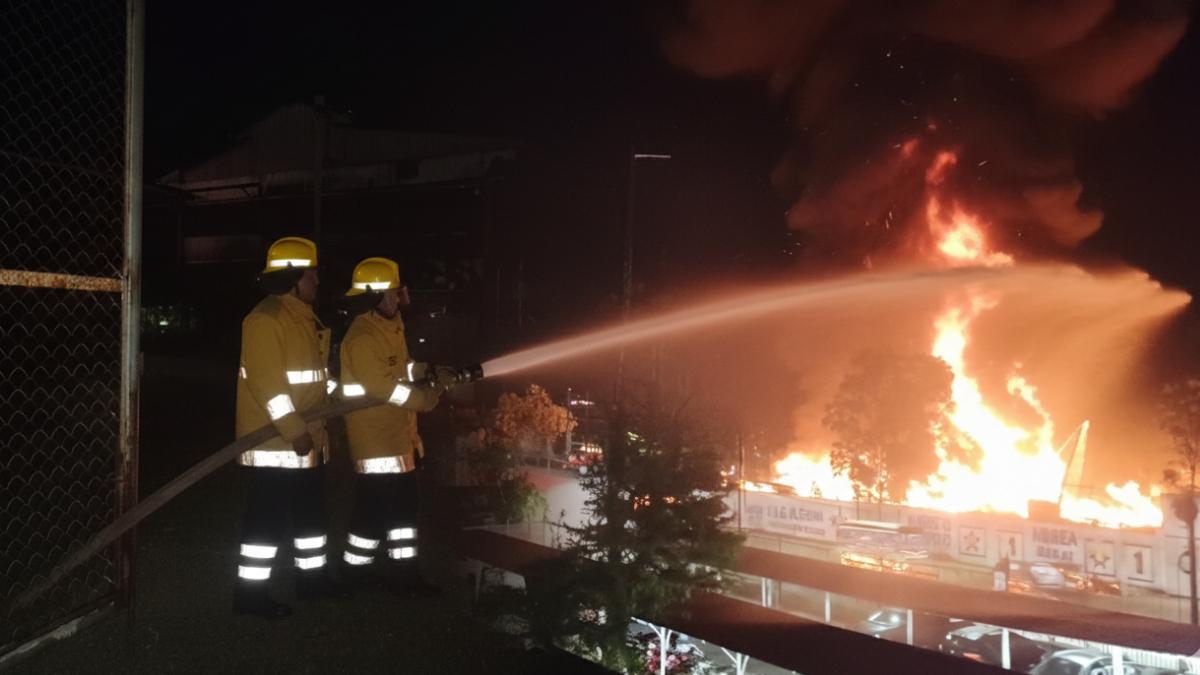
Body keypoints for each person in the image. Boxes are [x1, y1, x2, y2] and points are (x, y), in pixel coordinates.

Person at [232, 236, 346, 618]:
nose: (318, 281)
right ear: (294, 278)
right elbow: (268, 385)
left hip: (307, 439)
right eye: (312, 274)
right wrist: (295, 430)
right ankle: (249, 598)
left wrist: (334, 399)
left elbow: (313, 379)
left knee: (311, 517)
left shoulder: (302, 318)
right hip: (278, 445)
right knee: (264, 524)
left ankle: (312, 582)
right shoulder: (265, 320)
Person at [337, 257, 452, 595]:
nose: (399, 298)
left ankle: (361, 572)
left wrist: (428, 370)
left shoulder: (389, 327)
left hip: (395, 438)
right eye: (393, 292)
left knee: (377, 512)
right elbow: (384, 388)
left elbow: (402, 368)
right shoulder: (362, 337)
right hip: (377, 443)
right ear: (376, 296)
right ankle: (397, 578)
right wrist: (426, 397)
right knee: (394, 514)